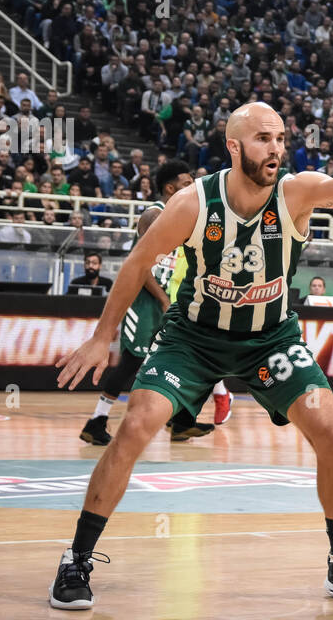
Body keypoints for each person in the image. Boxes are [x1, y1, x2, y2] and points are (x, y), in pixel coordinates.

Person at [54, 99, 333, 610]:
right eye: (263, 139)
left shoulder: (295, 192)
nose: (276, 149)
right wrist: (103, 337)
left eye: (280, 139)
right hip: (194, 337)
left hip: (269, 338)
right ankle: (77, 558)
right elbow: (140, 259)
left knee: (330, 427)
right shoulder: (192, 202)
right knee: (137, 424)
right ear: (234, 146)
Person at [76, 161, 231, 444]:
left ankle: (181, 422)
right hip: (143, 302)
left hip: (168, 301)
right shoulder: (153, 214)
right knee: (131, 361)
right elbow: (141, 266)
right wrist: (162, 299)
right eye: (186, 183)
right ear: (170, 187)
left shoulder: (184, 218)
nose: (192, 187)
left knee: (183, 358)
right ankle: (96, 421)